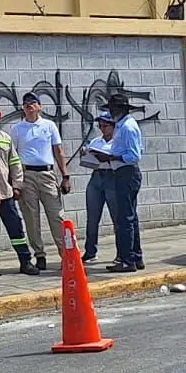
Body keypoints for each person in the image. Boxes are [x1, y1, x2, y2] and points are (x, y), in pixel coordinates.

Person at [0, 100, 38, 277]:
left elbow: (15, 163)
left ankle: (25, 261)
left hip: (5, 192)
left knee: (16, 228)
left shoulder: (5, 138)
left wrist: (17, 185)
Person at [11, 93, 69, 271]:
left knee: (56, 215)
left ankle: (65, 255)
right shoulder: (17, 129)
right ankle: (39, 254)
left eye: (33, 103)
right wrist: (15, 183)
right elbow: (12, 156)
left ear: (40, 107)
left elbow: (58, 150)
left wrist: (65, 175)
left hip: (47, 174)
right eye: (26, 103)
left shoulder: (49, 126)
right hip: (27, 174)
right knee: (31, 217)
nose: (29, 106)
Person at [105, 93, 146, 273]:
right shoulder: (121, 126)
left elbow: (134, 155)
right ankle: (136, 257)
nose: (111, 111)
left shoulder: (128, 127)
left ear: (120, 109)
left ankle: (126, 259)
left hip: (127, 173)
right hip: (123, 172)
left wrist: (112, 157)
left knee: (125, 219)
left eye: (113, 108)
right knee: (130, 217)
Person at [77, 112, 119, 263]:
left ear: (113, 126)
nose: (102, 128)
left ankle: (121, 252)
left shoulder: (118, 142)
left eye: (105, 125)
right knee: (92, 217)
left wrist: (107, 158)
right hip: (97, 176)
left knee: (117, 217)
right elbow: (89, 161)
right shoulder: (96, 141)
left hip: (112, 176)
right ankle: (90, 251)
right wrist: (85, 155)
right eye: (100, 125)